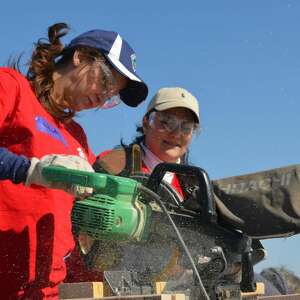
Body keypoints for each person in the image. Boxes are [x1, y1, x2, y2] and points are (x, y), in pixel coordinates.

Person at [93, 87, 300, 296]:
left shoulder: (195, 183)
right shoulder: (116, 165)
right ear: (147, 122)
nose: (175, 133)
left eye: (186, 127)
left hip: (184, 285)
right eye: (166, 122)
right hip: (121, 284)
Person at [0, 22, 148, 299]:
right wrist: (30, 169)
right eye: (104, 81)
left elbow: (91, 208)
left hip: (45, 291)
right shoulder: (12, 88)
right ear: (80, 56)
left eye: (110, 95)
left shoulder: (76, 136)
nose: (103, 96)